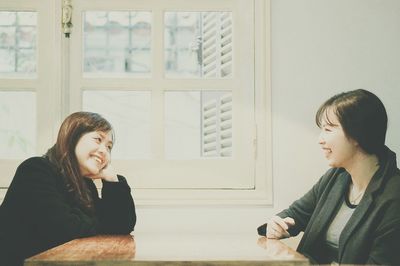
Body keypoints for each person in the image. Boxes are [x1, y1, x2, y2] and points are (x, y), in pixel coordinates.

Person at [257, 89, 400, 265]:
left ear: (357, 134)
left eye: (328, 129)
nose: (320, 139)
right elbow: (296, 214)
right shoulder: (336, 178)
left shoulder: (394, 197)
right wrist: (277, 226)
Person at [0, 112, 136, 265]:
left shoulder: (84, 184)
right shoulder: (36, 170)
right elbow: (64, 230)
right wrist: (97, 222)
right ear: (73, 137)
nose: (104, 151)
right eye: (98, 139)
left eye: (109, 147)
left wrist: (112, 180)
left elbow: (121, 225)